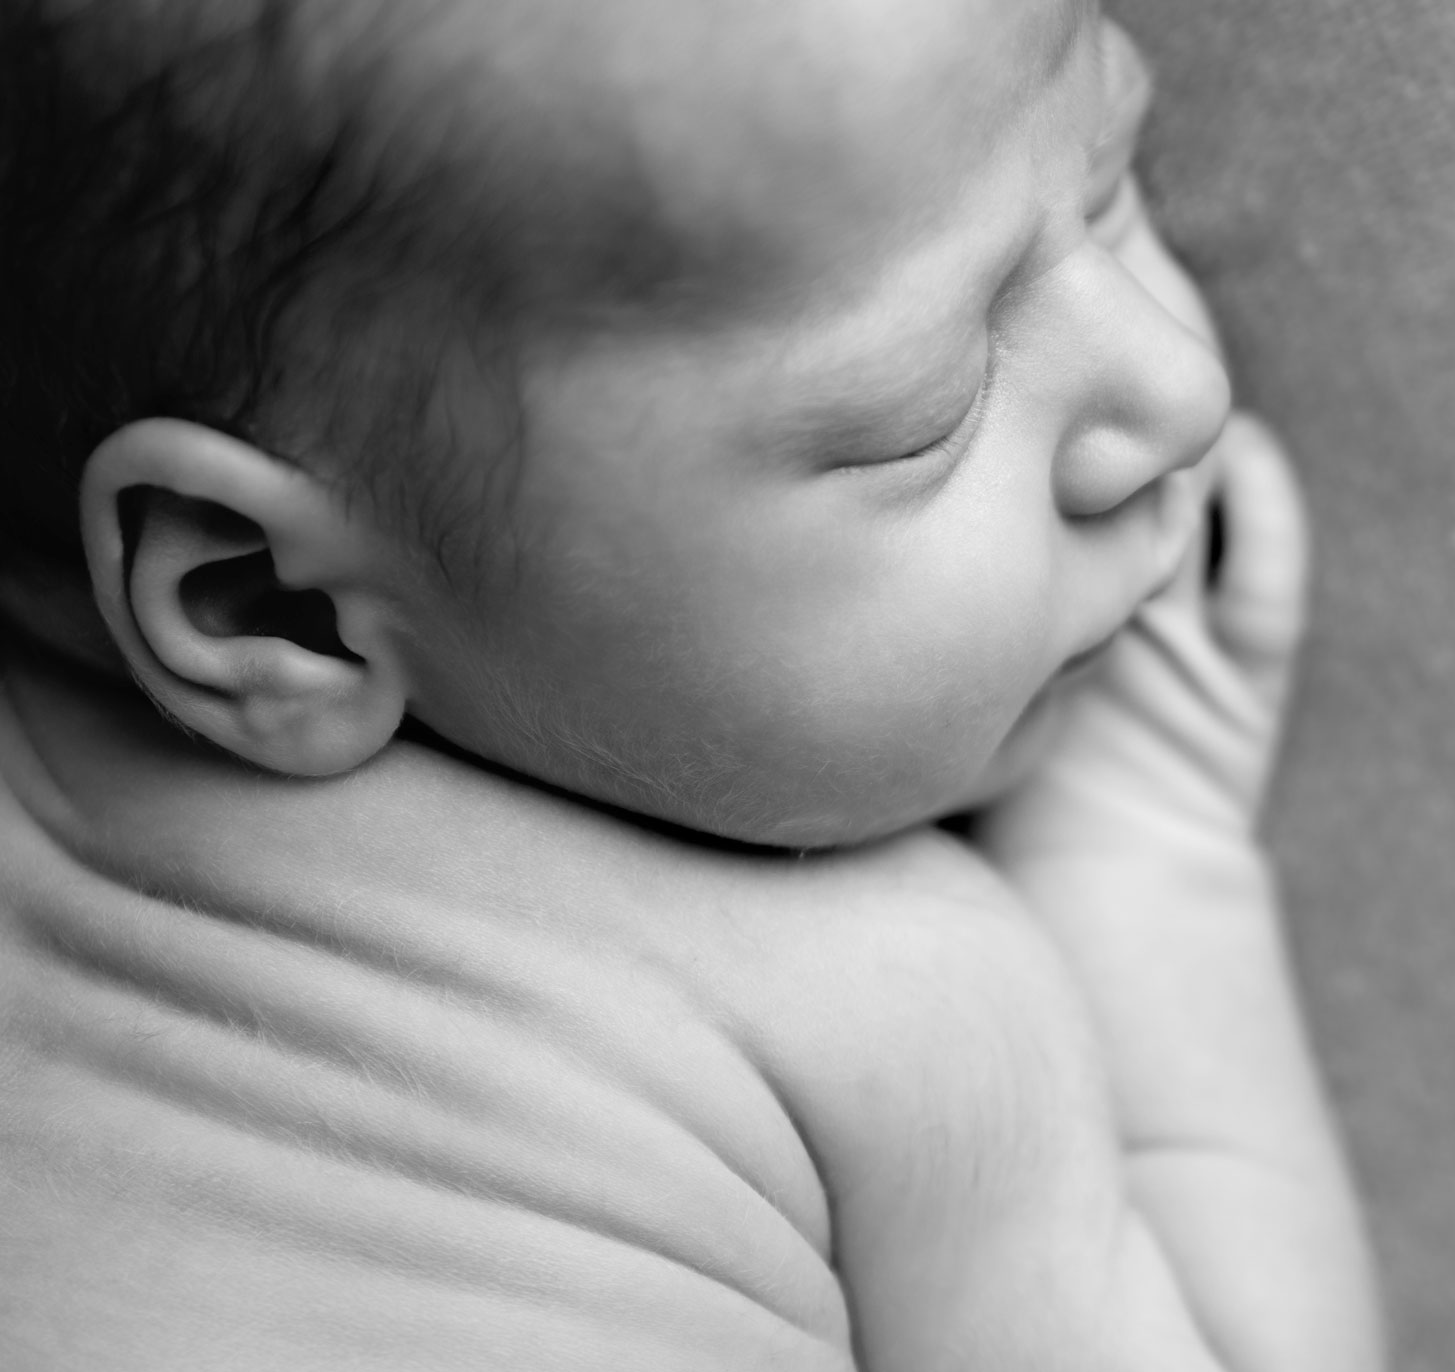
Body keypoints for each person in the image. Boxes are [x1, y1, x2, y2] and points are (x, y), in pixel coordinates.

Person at [0, 0, 1381, 1368]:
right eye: (929, 407)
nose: (1181, 385)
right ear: (271, 602)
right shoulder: (885, 1003)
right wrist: (1141, 832)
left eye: (1111, 174)